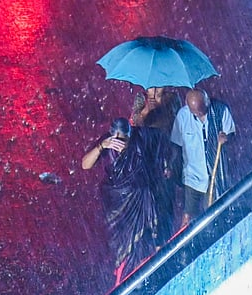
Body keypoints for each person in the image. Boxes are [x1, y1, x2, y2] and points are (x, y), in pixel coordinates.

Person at [82, 117, 174, 284]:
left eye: (123, 139)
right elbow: (85, 165)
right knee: (123, 243)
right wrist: (102, 146)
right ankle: (123, 278)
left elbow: (163, 142)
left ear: (130, 133)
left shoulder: (142, 136)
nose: (119, 143)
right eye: (116, 139)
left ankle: (157, 271)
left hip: (141, 196)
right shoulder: (106, 143)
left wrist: (165, 164)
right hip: (117, 201)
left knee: (149, 234)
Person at [170, 89, 235, 226]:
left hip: (215, 175)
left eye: (202, 110)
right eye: (195, 112)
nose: (200, 115)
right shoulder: (182, 116)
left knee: (213, 215)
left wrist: (226, 138)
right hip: (192, 176)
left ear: (207, 102)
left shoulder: (221, 110)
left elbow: (232, 134)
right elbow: (175, 145)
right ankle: (185, 245)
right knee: (188, 216)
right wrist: (171, 167)